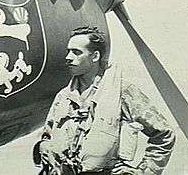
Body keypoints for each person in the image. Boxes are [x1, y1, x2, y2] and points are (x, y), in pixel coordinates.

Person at [33, 26, 176, 175]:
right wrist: (43, 146)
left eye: (76, 52)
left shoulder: (123, 92)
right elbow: (47, 134)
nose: (68, 57)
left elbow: (164, 134)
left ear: (95, 56)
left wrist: (143, 171)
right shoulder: (63, 96)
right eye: (68, 51)